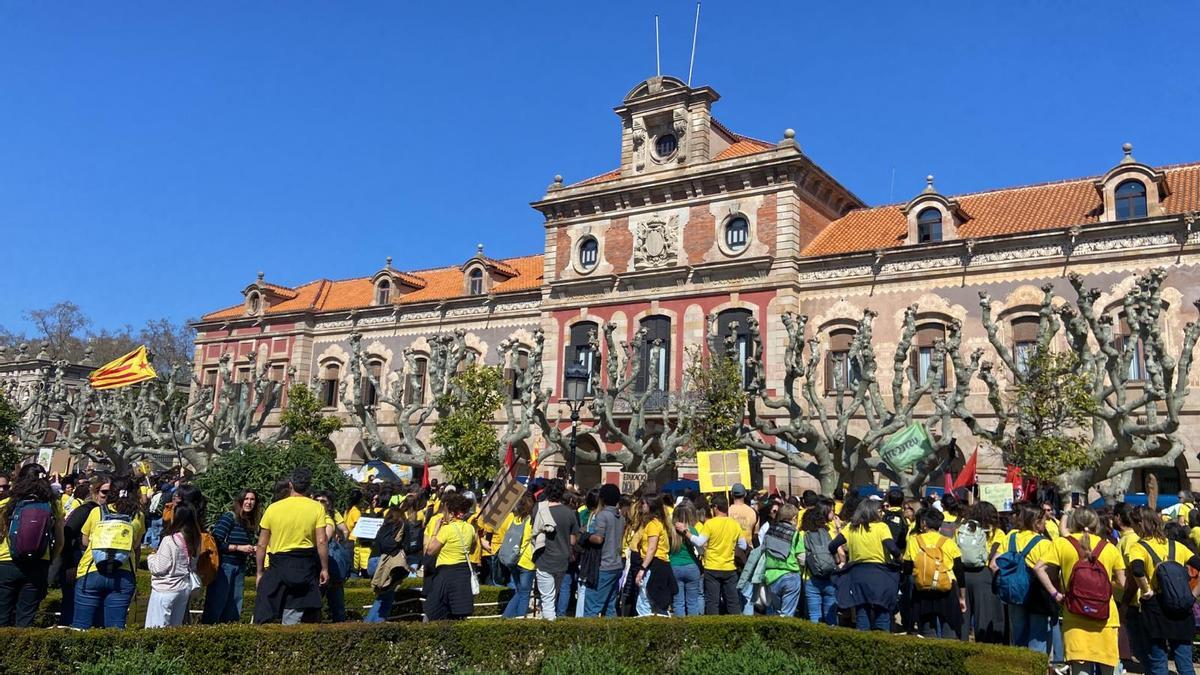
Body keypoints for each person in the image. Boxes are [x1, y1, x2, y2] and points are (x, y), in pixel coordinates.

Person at [1031, 506, 1125, 675]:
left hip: (1075, 614)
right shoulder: (1109, 547)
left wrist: (1055, 594)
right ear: (1096, 523)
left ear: (1074, 522)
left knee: (1081, 670)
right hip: (1106, 616)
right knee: (1108, 669)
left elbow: (1039, 568)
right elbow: (1122, 582)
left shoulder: (1061, 543)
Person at [1123, 506, 1200, 675]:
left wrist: (1146, 590)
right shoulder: (1176, 546)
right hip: (1181, 607)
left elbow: (1137, 569)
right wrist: (1193, 595)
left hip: (1156, 608)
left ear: (1139, 524)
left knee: (1158, 663)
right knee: (1185, 663)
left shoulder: (1139, 547)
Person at [253, 468, 329, 625]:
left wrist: (260, 571)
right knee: (296, 612)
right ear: (308, 487)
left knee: (264, 612)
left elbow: (261, 544)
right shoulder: (317, 508)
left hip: (278, 565)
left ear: (290, 484)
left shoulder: (273, 508)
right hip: (305, 565)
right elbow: (322, 541)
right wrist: (324, 568)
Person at [71, 475, 145, 629]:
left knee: (81, 627)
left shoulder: (97, 512)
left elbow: (85, 541)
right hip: (123, 574)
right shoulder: (138, 516)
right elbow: (136, 545)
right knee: (115, 629)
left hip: (91, 570)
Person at [0, 464, 64, 627]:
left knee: (2, 617)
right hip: (38, 564)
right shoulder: (53, 505)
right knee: (25, 619)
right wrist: (49, 559)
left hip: (6, 563)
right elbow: (60, 541)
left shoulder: (7, 504)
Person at [829, 499, 901, 632]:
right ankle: (882, 645)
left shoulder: (851, 527)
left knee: (862, 612)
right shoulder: (882, 527)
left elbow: (832, 545)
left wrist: (838, 561)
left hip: (858, 574)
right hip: (880, 574)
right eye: (879, 511)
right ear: (872, 512)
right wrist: (899, 560)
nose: (882, 513)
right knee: (882, 612)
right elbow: (893, 548)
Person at [992, 503, 1056, 654]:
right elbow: (1051, 574)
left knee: (1018, 638)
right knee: (1037, 639)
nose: (1046, 522)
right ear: (1036, 522)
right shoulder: (1044, 544)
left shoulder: (1011, 536)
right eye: (1043, 519)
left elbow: (994, 564)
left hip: (1014, 592)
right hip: (1037, 594)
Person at [903, 507, 965, 638]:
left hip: (922, 589)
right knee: (949, 626)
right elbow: (959, 570)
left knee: (926, 630)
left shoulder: (914, 541)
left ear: (924, 523)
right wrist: (962, 596)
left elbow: (907, 568)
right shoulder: (948, 543)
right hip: (946, 588)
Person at [680, 495, 745, 615]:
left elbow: (699, 542)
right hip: (729, 567)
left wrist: (686, 532)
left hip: (712, 567)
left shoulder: (710, 524)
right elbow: (743, 545)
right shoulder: (734, 524)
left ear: (715, 508)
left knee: (712, 602)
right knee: (732, 602)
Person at [202, 489, 259, 624]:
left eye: (252, 499)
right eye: (246, 499)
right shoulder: (230, 517)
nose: (249, 502)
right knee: (217, 603)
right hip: (224, 566)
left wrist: (252, 549)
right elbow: (216, 541)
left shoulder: (248, 522)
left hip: (239, 566)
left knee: (234, 604)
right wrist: (238, 548)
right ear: (240, 501)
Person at [146, 502, 201, 628]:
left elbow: (159, 568)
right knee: (174, 629)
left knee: (156, 629)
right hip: (183, 588)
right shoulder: (196, 539)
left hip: (165, 589)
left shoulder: (169, 540)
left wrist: (151, 557)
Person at [422, 492, 477, 621]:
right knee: (458, 613)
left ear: (452, 513)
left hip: (446, 574)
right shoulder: (470, 528)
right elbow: (473, 547)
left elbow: (430, 550)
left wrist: (435, 531)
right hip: (463, 573)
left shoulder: (447, 529)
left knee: (434, 609)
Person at [532, 479, 579, 621]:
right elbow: (572, 540)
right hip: (562, 560)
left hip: (544, 559)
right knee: (553, 595)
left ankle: (548, 629)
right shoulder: (569, 513)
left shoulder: (538, 509)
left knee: (547, 599)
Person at [960, 501, 1006, 644]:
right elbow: (994, 557)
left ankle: (960, 647)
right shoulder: (997, 533)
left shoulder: (963, 529)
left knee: (963, 615)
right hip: (984, 575)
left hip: (962, 573)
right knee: (984, 618)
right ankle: (981, 654)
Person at [582, 484, 625, 618]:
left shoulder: (602, 515)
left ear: (602, 499)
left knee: (592, 607)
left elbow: (599, 539)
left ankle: (589, 637)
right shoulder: (621, 517)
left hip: (603, 566)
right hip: (616, 564)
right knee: (610, 606)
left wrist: (585, 535)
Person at [365, 498, 410, 623]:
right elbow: (407, 547)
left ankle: (371, 625)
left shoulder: (384, 526)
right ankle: (373, 626)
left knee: (381, 596)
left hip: (372, 562)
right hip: (385, 564)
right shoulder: (402, 525)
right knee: (385, 599)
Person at [634, 494, 677, 616]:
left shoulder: (653, 524)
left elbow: (652, 548)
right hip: (661, 564)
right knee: (657, 602)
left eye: (644, 503)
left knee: (645, 602)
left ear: (651, 505)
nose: (641, 506)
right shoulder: (659, 523)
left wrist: (642, 568)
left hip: (654, 565)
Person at [762, 503, 804, 617]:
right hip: (790, 575)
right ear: (794, 518)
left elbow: (763, 552)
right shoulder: (795, 534)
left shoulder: (769, 531)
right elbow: (802, 559)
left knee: (777, 611)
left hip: (771, 577)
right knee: (787, 615)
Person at [800, 501, 838, 625]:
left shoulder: (802, 534)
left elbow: (800, 558)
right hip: (830, 575)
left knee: (814, 615)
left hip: (811, 577)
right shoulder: (829, 532)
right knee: (831, 614)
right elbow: (839, 552)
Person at [500, 493, 536, 618]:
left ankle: (507, 616)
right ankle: (520, 619)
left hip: (512, 559)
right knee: (525, 593)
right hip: (526, 560)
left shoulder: (513, 519)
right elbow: (526, 539)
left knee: (519, 591)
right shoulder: (529, 520)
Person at [315, 490, 348, 622]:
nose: (319, 503)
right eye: (316, 500)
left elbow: (325, 538)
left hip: (330, 562)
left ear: (328, 504)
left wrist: (340, 539)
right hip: (319, 563)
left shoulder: (330, 518)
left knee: (335, 599)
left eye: (322, 501)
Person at [668, 500, 703, 617]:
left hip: (674, 567)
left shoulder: (669, 531)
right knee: (693, 602)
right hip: (692, 567)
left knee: (678, 603)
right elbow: (700, 549)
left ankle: (681, 632)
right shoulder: (692, 530)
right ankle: (694, 631)